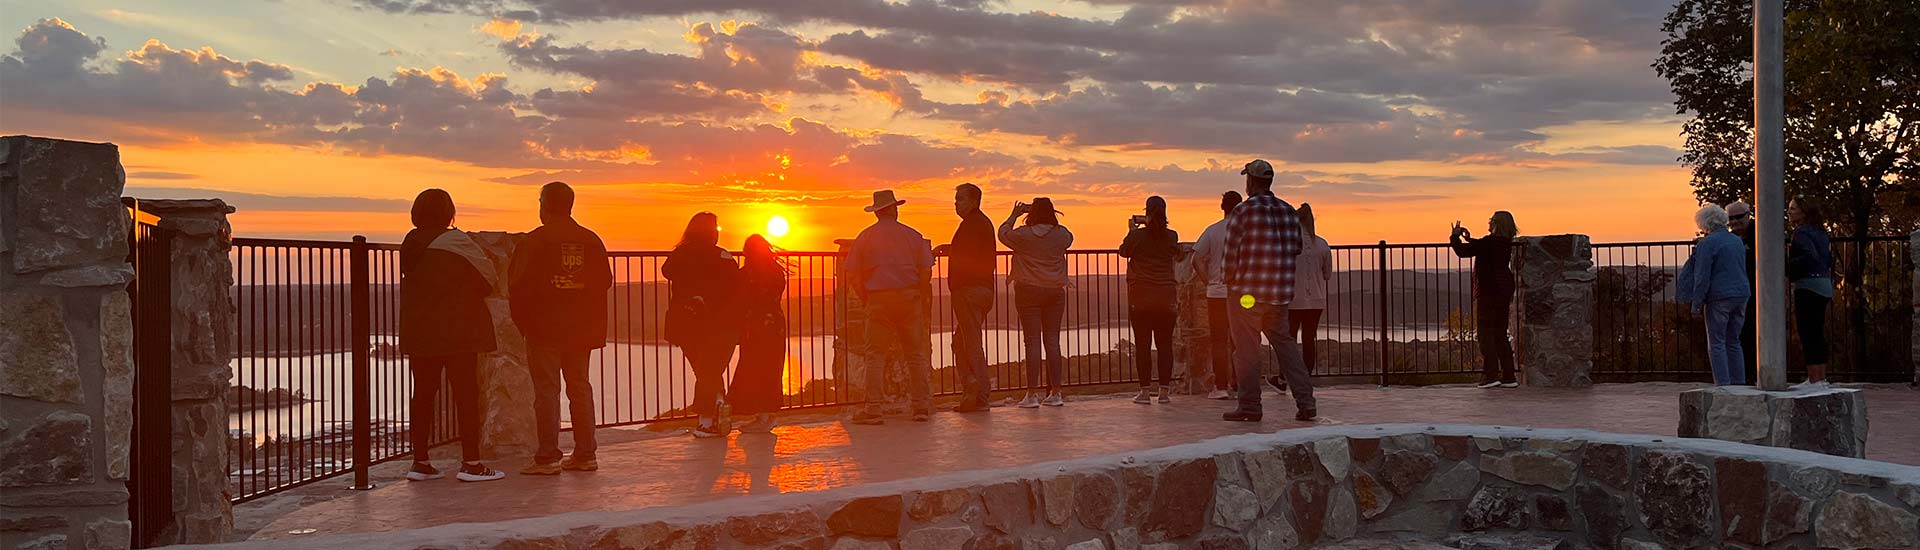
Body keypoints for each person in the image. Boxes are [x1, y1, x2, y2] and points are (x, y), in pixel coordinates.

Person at [398, 189, 505, 482]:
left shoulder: (410, 244)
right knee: (466, 396)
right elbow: (488, 281)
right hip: (460, 331)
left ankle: (420, 462)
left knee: (422, 395)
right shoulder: (458, 243)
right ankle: (471, 463)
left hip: (420, 330)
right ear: (449, 212)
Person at [509, 182, 612, 475]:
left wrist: (524, 325)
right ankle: (585, 453)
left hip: (544, 329)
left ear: (545, 206)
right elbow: (604, 281)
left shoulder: (534, 241)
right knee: (580, 388)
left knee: (547, 391)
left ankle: (547, 457)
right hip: (582, 329)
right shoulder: (591, 240)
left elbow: (518, 287)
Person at [1222, 159, 1315, 422]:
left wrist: (1229, 282)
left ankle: (1250, 406)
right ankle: (1306, 402)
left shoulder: (1243, 211)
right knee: (1286, 347)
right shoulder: (1287, 211)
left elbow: (1230, 256)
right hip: (1279, 294)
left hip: (1248, 295)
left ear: (1251, 181)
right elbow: (1296, 247)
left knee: (1247, 349)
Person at [845, 190, 936, 425]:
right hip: (909, 297)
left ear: (876, 212)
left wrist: (867, 297)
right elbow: (926, 270)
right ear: (895, 209)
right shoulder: (914, 236)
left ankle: (873, 409)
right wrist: (919, 294)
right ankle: (921, 407)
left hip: (879, 299)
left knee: (875, 354)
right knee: (915, 354)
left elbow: (853, 274)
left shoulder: (865, 237)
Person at [663, 212, 741, 438]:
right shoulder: (724, 256)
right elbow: (735, 284)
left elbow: (667, 271)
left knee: (703, 370)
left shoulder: (681, 254)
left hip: (688, 322)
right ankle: (716, 405)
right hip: (720, 323)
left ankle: (708, 417)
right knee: (710, 370)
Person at [1000, 197, 1074, 408]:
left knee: (1032, 342)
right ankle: (1056, 393)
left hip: (1028, 290)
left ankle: (1032, 395)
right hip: (1055, 291)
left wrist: (1014, 215)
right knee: (1052, 341)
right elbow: (1069, 239)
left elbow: (1003, 234)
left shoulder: (1023, 235)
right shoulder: (1062, 234)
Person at [933, 183, 996, 412]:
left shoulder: (972, 224)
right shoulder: (979, 224)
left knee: (970, 344)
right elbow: (967, 251)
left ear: (974, 201)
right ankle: (972, 388)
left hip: (969, 291)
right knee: (961, 343)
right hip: (981, 291)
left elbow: (966, 257)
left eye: (960, 199)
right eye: (956, 199)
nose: (956, 203)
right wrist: (947, 248)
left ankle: (979, 395)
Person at [1676, 205, 1751, 386]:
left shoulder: (1707, 244)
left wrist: (1696, 304)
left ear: (1704, 224)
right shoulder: (1736, 241)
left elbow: (1702, 276)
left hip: (1719, 297)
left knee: (1717, 342)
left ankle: (1723, 385)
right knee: (1734, 341)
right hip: (1741, 293)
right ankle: (1738, 383)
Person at [1119, 196, 1180, 404]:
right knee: (1165, 345)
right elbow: (1174, 252)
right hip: (1166, 297)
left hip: (1141, 297)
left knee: (1143, 345)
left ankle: (1145, 392)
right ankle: (1164, 392)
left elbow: (1123, 252)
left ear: (1146, 212)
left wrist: (1131, 230)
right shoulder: (1171, 236)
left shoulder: (1137, 236)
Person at [1451, 211, 1519, 389]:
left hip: (1489, 291)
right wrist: (1469, 238)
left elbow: (1463, 252)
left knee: (1485, 333)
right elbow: (1480, 247)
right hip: (1504, 289)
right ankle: (1509, 376)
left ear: (1496, 224)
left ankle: (1490, 375)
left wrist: (1455, 237)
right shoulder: (1505, 243)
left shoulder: (1489, 242)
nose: (1488, 224)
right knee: (1499, 333)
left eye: (1490, 221)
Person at [728, 234, 789, 432]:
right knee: (771, 368)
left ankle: (762, 416)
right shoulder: (777, 272)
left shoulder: (747, 273)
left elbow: (739, 299)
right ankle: (766, 414)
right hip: (775, 324)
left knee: (754, 368)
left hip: (755, 326)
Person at [1191, 191, 1244, 400]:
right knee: (1241, 340)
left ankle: (1220, 387)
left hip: (1217, 293)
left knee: (1219, 340)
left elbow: (1196, 259)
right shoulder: (1246, 232)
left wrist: (1208, 281)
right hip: (1243, 295)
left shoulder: (1213, 231)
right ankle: (1241, 384)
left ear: (1223, 207)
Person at [1787, 199, 1833, 387]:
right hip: (1823, 283)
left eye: (1793, 208)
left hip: (1808, 284)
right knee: (1817, 331)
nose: (1789, 212)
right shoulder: (1821, 233)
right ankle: (1820, 377)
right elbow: (1827, 258)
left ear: (1803, 212)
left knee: (1808, 332)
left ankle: (1814, 379)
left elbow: (1809, 256)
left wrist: (1787, 265)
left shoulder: (1801, 233)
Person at [1289, 204, 1331, 375]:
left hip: (1293, 299)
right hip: (1316, 300)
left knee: (1289, 340)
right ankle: (1306, 377)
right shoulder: (1322, 244)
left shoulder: (1289, 244)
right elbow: (1327, 274)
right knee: (1308, 339)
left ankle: (1286, 378)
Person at [1727, 199, 1757, 384]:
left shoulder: (1759, 234)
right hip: (1739, 291)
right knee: (1740, 333)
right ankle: (1743, 375)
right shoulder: (1732, 239)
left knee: (1751, 332)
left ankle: (1751, 373)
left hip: (1756, 291)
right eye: (1731, 218)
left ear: (1748, 215)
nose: (1735, 221)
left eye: (1739, 216)